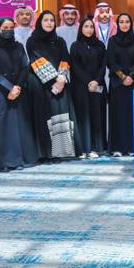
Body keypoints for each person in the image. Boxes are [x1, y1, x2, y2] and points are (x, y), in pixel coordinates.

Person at [0, 17, 38, 171]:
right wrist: (9, 88)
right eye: (5, 27)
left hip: (17, 91)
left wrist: (17, 86)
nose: (8, 30)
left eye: (11, 27)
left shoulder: (18, 46)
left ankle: (16, 160)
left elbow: (25, 67)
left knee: (15, 126)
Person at [26, 10, 80, 160]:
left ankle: (62, 152)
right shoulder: (32, 41)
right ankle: (47, 153)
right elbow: (37, 61)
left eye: (51, 20)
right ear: (39, 23)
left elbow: (65, 59)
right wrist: (54, 81)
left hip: (60, 84)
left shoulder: (60, 40)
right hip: (41, 85)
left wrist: (61, 78)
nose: (49, 23)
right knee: (46, 117)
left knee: (61, 117)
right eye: (46, 20)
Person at [70, 16, 108, 159]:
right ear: (81, 28)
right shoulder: (75, 46)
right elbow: (75, 66)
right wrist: (88, 82)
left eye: (91, 27)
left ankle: (96, 148)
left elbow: (103, 65)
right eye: (86, 26)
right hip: (81, 87)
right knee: (83, 117)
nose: (89, 29)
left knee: (97, 115)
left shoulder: (100, 45)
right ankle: (84, 148)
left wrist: (96, 81)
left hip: (97, 86)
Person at [107, 13, 134, 157]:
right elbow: (111, 61)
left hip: (133, 83)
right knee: (117, 115)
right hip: (117, 84)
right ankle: (117, 147)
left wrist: (130, 76)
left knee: (131, 116)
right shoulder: (112, 41)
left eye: (127, 22)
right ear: (117, 24)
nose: (124, 24)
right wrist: (122, 77)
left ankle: (131, 147)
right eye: (121, 22)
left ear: (130, 24)